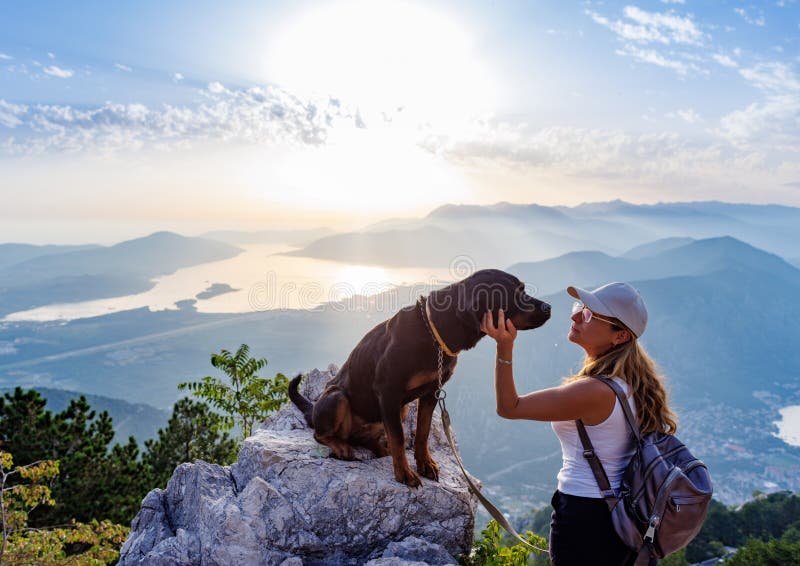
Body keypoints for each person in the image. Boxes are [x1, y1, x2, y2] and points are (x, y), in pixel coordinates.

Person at [480, 282, 677, 566]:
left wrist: (504, 346)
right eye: (580, 308)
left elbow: (510, 407)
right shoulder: (636, 385)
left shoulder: (595, 391)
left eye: (588, 315)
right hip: (628, 517)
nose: (574, 317)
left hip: (586, 518)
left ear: (620, 336)